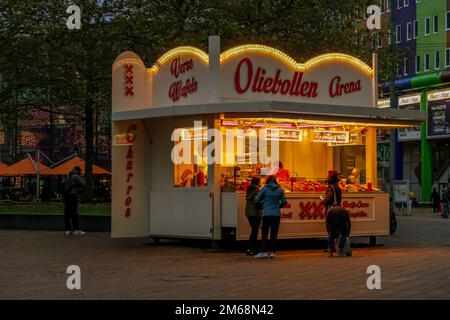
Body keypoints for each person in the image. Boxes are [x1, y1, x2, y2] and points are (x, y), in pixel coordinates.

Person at [254, 175, 287, 259]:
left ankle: (263, 252)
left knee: (264, 233)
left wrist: (263, 203)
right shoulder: (279, 190)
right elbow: (284, 201)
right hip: (276, 214)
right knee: (274, 233)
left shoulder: (264, 189)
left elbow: (257, 199)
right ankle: (272, 252)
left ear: (267, 180)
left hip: (267, 214)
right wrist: (278, 206)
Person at [321, 170, 351, 257]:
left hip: (332, 210)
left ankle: (330, 250)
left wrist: (322, 200)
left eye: (328, 177)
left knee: (331, 232)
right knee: (344, 232)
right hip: (341, 209)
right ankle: (340, 250)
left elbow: (329, 200)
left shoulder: (331, 187)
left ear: (330, 179)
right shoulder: (338, 187)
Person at [63, 166, 85, 236]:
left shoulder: (68, 176)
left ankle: (67, 230)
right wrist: (83, 177)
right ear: (78, 170)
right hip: (73, 195)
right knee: (74, 212)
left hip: (66, 196)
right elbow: (83, 184)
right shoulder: (76, 176)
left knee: (67, 212)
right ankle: (76, 230)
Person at [245, 176, 262, 256]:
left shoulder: (249, 188)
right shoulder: (257, 190)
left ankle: (249, 248)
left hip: (248, 211)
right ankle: (252, 249)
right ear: (258, 182)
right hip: (255, 212)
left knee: (253, 230)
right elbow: (257, 200)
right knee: (255, 231)